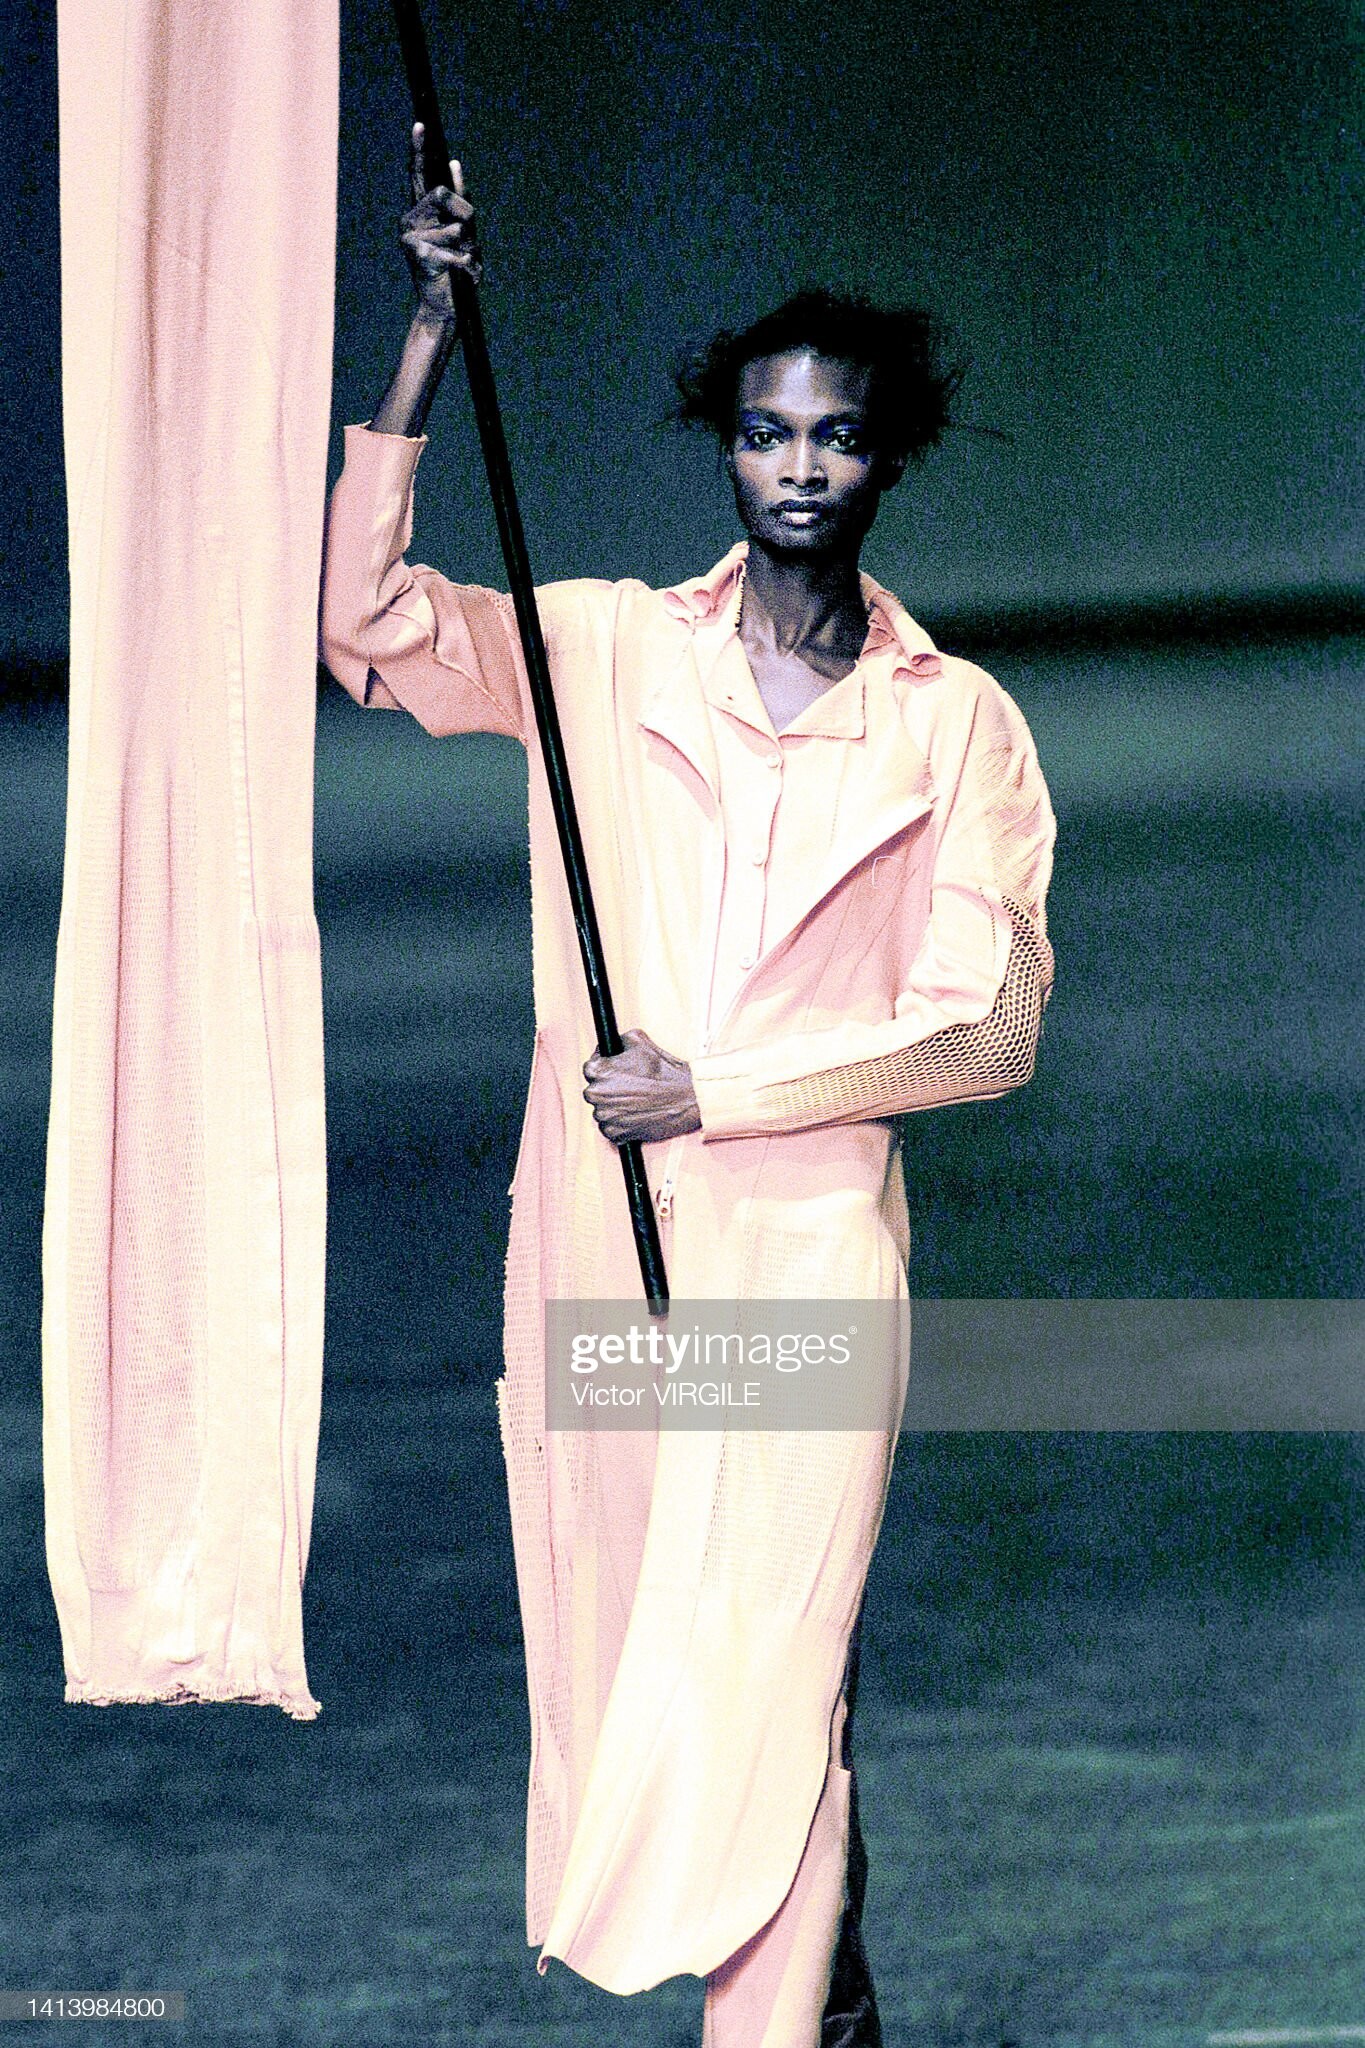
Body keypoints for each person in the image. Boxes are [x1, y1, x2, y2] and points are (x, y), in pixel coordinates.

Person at [318, 122, 1057, 2048]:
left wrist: (715, 1090)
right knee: (655, 1657)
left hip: (804, 1258)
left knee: (780, 1657)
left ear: (886, 457)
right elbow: (366, 631)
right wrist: (422, 342)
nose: (797, 466)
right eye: (763, 433)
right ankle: (827, 1989)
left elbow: (983, 1033)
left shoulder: (957, 725)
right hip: (598, 1249)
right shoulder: (601, 647)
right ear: (723, 449)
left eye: (835, 437)